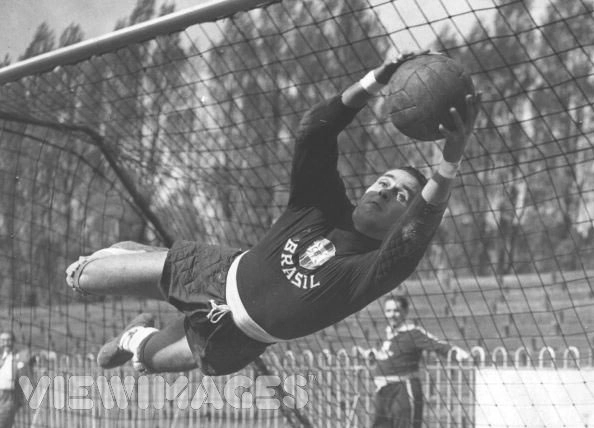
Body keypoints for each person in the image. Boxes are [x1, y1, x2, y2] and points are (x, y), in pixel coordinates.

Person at [65, 51, 481, 376]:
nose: (385, 192)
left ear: (404, 216)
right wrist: (375, 80)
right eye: (384, 182)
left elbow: (417, 233)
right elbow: (314, 131)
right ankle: (137, 259)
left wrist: (449, 163)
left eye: (401, 196)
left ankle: (134, 335)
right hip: (212, 272)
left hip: (237, 340)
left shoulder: (374, 268)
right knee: (82, 277)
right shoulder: (320, 205)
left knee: (148, 359)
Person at [360, 296, 470, 428]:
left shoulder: (413, 333)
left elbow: (436, 344)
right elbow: (392, 356)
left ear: (405, 312)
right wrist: (373, 355)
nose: (392, 315)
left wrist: (455, 353)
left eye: (396, 311)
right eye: (388, 311)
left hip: (403, 390)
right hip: (384, 391)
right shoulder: (389, 334)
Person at [0, 332, 32, 428]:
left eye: (8, 340)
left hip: (8, 397)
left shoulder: (18, 357)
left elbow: (25, 378)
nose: (5, 343)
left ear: (13, 342)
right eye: (2, 340)